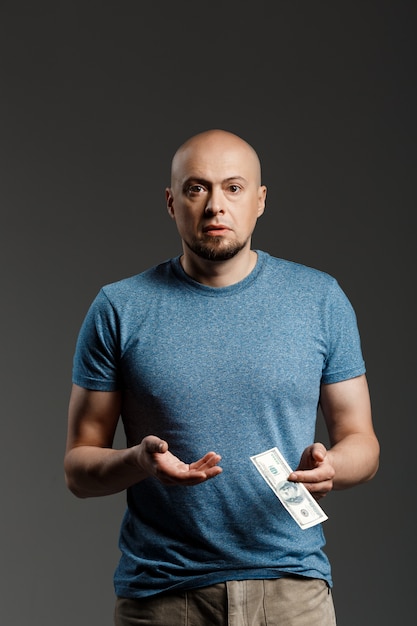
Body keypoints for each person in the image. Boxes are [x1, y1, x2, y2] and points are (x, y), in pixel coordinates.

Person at [64, 129, 380, 626]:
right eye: (197, 188)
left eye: (233, 188)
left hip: (292, 593)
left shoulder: (319, 299)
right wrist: (138, 461)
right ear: (171, 203)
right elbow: (78, 468)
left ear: (260, 201)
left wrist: (332, 466)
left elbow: (362, 442)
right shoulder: (119, 308)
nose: (215, 205)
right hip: (162, 597)